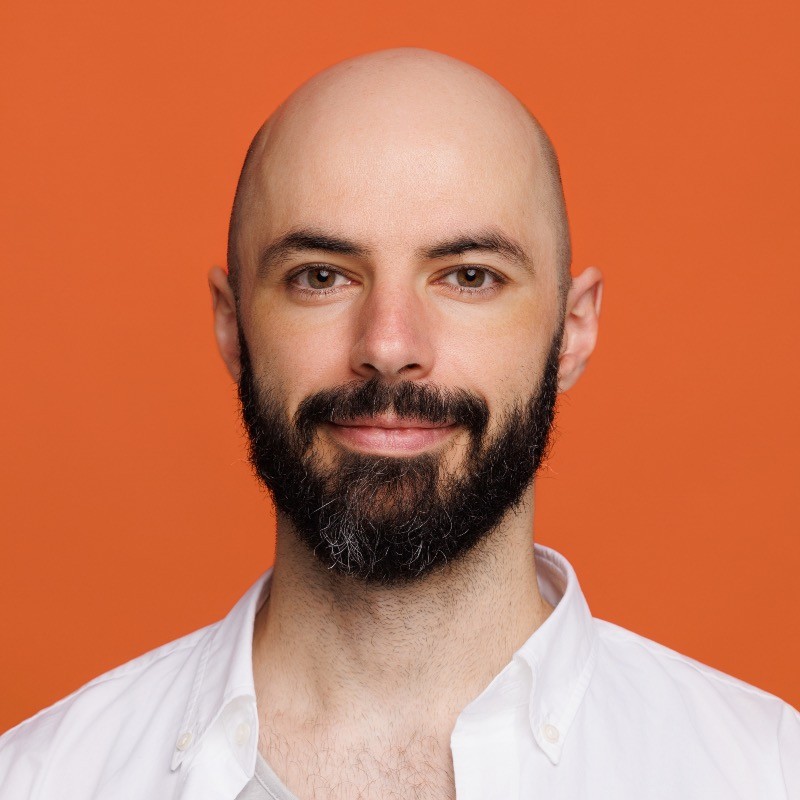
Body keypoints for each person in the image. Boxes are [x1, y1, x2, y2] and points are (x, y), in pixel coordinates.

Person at [0, 47, 797, 800]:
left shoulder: (763, 774)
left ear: (573, 331)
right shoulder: (41, 780)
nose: (387, 346)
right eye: (321, 277)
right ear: (233, 325)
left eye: (469, 277)